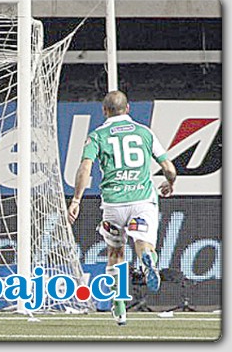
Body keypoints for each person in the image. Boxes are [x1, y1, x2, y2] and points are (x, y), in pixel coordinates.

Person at [67, 90, 177, 326]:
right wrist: (170, 182)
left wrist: (76, 200)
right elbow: (169, 168)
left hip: (114, 204)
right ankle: (147, 259)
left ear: (104, 111)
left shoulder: (97, 136)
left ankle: (119, 306)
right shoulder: (144, 132)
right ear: (128, 109)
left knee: (115, 254)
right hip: (142, 201)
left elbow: (85, 168)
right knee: (143, 243)